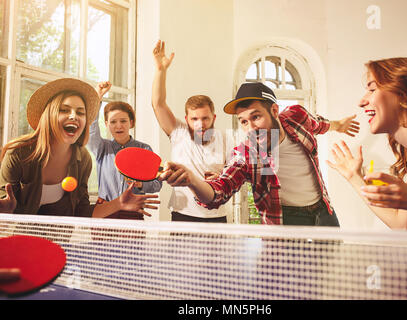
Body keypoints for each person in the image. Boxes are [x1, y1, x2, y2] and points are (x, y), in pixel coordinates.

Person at [158, 81, 360, 226]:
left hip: (324, 213)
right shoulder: (248, 153)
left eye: (256, 117)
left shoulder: (297, 117)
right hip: (283, 221)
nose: (251, 128)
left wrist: (339, 125)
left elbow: (318, 124)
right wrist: (192, 180)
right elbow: (220, 192)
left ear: (274, 110)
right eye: (244, 121)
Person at [0, 78, 159, 218]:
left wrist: (119, 202)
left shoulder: (83, 159)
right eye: (64, 110)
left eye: (80, 112)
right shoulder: (18, 154)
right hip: (18, 239)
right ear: (49, 115)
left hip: (63, 242)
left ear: (131, 123)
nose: (73, 116)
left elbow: (81, 211)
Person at [327, 56, 407, 229]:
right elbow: (401, 224)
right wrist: (354, 177)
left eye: (372, 89)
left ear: (403, 91)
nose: (361, 102)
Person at [151, 40, 228, 223]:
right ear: (187, 119)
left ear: (214, 118)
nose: (200, 123)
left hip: (216, 215)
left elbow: (235, 173)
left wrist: (222, 177)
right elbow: (158, 103)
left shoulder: (225, 138)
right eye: (194, 119)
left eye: (205, 118)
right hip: (182, 213)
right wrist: (161, 71)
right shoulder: (178, 131)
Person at [87, 81, 162, 219]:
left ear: (131, 123)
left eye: (123, 121)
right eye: (113, 122)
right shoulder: (101, 147)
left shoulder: (144, 149)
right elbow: (91, 129)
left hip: (133, 211)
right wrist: (97, 97)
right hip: (105, 210)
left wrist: (141, 184)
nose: (118, 126)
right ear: (106, 124)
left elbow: (157, 184)